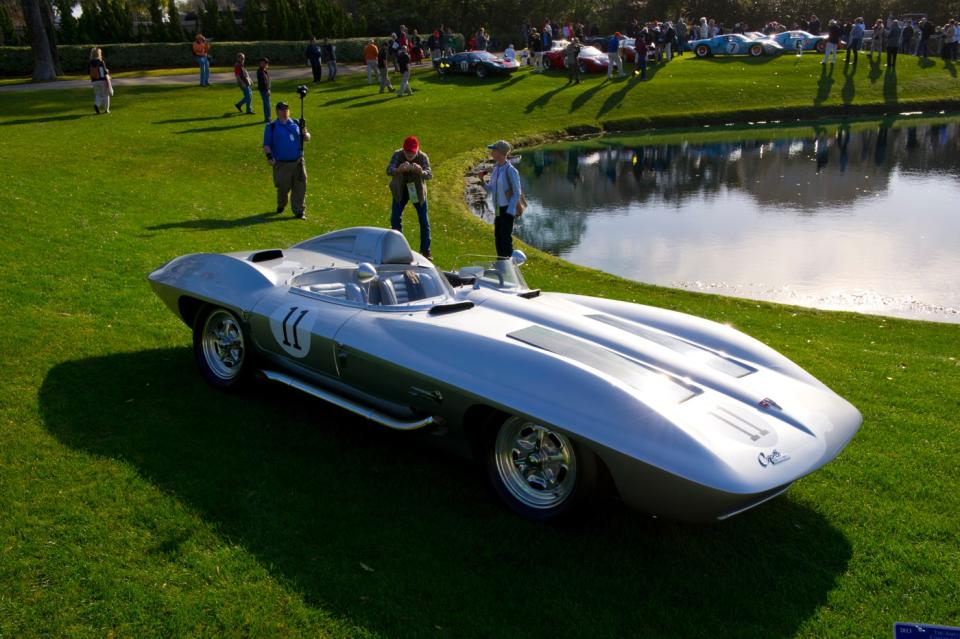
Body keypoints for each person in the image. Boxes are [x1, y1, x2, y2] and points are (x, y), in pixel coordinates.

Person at [263, 102, 310, 219]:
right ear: (277, 112)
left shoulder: (296, 123)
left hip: (298, 162)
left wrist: (306, 135)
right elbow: (266, 145)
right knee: (283, 189)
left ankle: (299, 211)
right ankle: (281, 204)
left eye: (286, 109)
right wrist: (269, 157)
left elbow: (307, 137)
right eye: (282, 109)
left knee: (300, 186)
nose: (285, 112)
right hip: (282, 164)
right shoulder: (271, 126)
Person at [387, 136, 432, 258]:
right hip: (400, 191)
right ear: (403, 149)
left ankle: (426, 250)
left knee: (423, 220)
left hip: (417, 192)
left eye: (412, 152)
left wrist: (421, 171)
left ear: (417, 149)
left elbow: (429, 175)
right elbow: (389, 170)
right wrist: (398, 170)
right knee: (395, 218)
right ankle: (398, 246)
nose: (409, 155)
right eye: (407, 151)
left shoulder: (422, 157)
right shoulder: (397, 154)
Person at [483, 140, 522, 258]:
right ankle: (501, 264)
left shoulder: (510, 170)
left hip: (507, 209)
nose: (491, 152)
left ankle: (509, 266)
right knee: (498, 238)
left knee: (505, 239)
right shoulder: (496, 169)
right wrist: (482, 181)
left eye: (493, 150)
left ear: (500, 152)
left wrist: (510, 211)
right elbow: (491, 189)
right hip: (498, 209)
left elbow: (517, 193)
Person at [89, 47, 110, 114]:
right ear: (99, 54)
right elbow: (104, 72)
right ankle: (106, 109)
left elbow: (88, 72)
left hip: (94, 81)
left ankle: (96, 104)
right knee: (105, 94)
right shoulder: (101, 62)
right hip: (102, 80)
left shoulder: (90, 63)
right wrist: (107, 71)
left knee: (98, 94)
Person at [256, 58, 271, 123]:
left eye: (265, 63)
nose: (263, 64)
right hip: (264, 90)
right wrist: (267, 90)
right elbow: (263, 82)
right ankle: (267, 118)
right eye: (262, 62)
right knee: (266, 104)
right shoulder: (260, 71)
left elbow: (268, 80)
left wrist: (269, 88)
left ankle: (268, 118)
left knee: (268, 104)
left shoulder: (264, 70)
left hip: (266, 89)